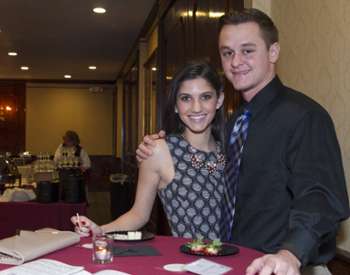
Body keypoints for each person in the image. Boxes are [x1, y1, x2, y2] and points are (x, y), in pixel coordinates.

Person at [136, 8, 349, 275]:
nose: (236, 61)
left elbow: (321, 196)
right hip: (234, 263)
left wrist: (291, 252)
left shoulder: (304, 116)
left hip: (286, 266)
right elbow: (208, 167)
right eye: (227, 53)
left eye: (247, 50)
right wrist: (154, 148)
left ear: (273, 52)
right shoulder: (234, 123)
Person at [72, 62, 226, 240]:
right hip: (193, 260)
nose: (196, 107)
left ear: (219, 100)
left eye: (206, 97)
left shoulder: (232, 150)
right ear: (175, 105)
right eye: (186, 98)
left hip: (239, 259)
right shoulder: (159, 150)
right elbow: (139, 215)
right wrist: (99, 230)